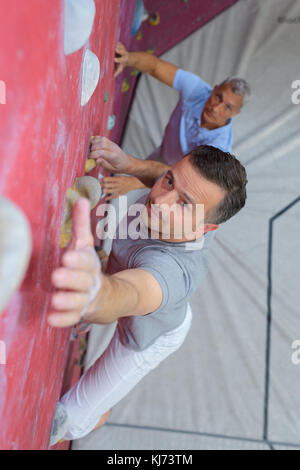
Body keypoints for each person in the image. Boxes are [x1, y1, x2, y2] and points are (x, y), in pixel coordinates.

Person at [49, 137, 247, 445]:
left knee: (68, 423)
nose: (160, 201)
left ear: (204, 229)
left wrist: (96, 293)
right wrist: (129, 164)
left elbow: (131, 293)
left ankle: (102, 413)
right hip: (123, 274)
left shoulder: (174, 272)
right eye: (169, 181)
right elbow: (163, 172)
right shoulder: (174, 188)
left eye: (184, 204)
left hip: (150, 333)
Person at [100, 42, 251, 201]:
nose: (216, 107)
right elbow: (155, 67)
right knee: (114, 186)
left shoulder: (218, 147)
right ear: (213, 89)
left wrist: (135, 182)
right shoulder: (198, 90)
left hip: (177, 182)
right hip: (162, 155)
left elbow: (182, 179)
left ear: (235, 113)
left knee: (133, 203)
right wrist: (128, 58)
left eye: (227, 107)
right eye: (218, 97)